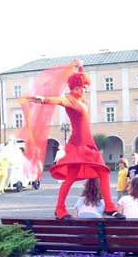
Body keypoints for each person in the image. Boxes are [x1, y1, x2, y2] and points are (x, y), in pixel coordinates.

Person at [31, 65, 122, 220]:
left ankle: (109, 206)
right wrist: (45, 100)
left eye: (86, 86)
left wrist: (80, 68)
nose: (86, 89)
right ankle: (60, 209)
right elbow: (60, 101)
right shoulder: (72, 100)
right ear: (77, 87)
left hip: (87, 143)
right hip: (79, 144)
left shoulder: (81, 101)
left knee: (102, 172)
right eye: (84, 86)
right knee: (72, 177)